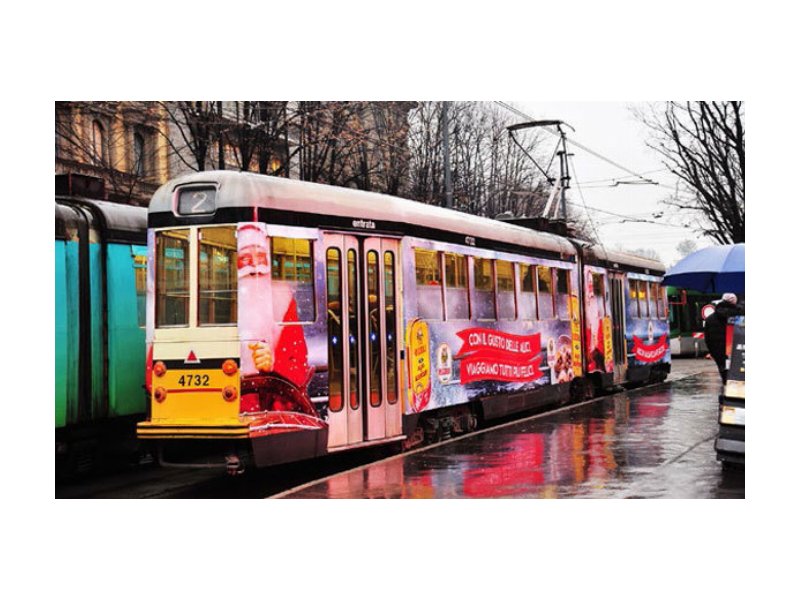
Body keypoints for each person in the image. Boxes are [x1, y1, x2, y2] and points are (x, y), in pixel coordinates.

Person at [703, 293, 744, 382]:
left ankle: (727, 390)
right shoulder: (741, 316)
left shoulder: (710, 319)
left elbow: (708, 339)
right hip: (739, 352)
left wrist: (713, 353)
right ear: (735, 301)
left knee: (725, 377)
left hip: (719, 353)